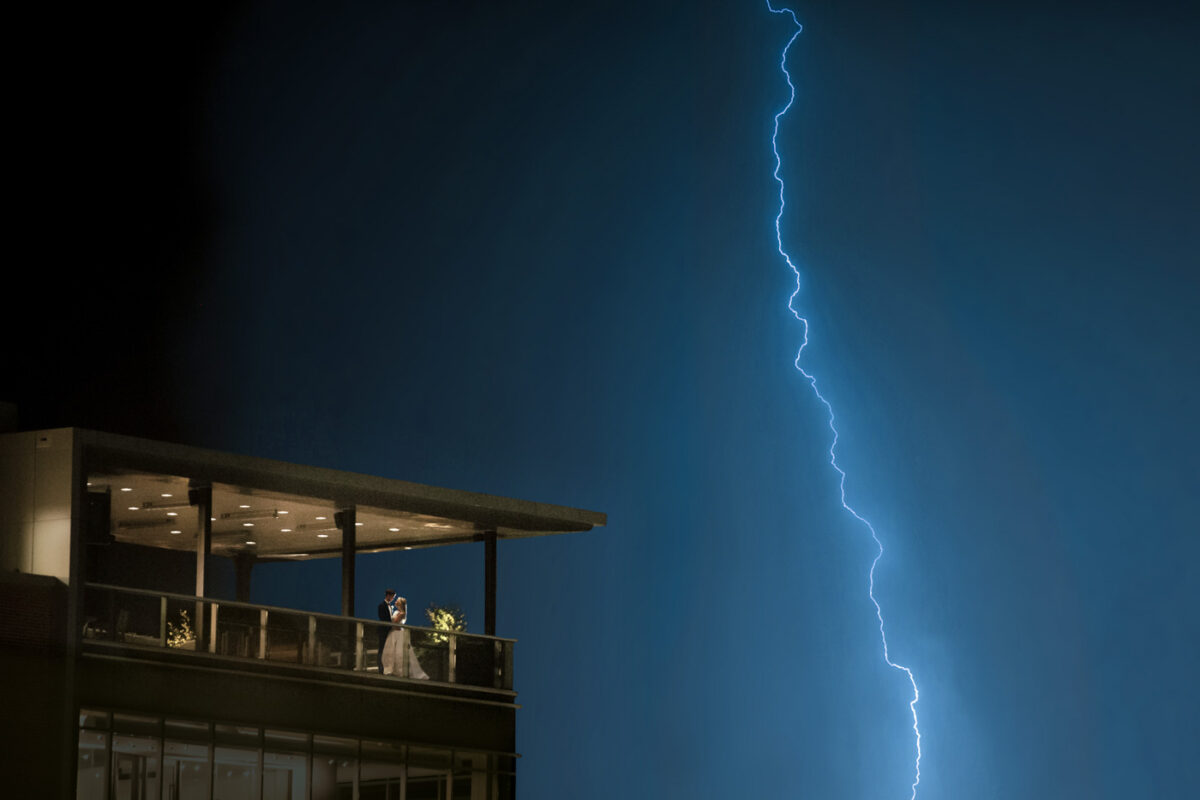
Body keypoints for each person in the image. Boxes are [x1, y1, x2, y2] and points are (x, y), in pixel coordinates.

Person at [380, 596, 428, 679]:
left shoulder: (402, 613)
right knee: (390, 652)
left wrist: (389, 614)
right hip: (393, 634)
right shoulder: (395, 612)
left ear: (401, 604)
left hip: (398, 634)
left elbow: (394, 622)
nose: (395, 602)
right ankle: (391, 669)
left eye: (397, 601)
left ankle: (400, 671)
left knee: (399, 653)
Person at [376, 589, 397, 672]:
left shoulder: (389, 606)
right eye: (392, 597)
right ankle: (380, 668)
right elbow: (383, 619)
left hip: (389, 631)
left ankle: (385, 667)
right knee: (381, 649)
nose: (393, 599)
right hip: (383, 631)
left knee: (386, 649)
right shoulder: (381, 605)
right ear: (388, 595)